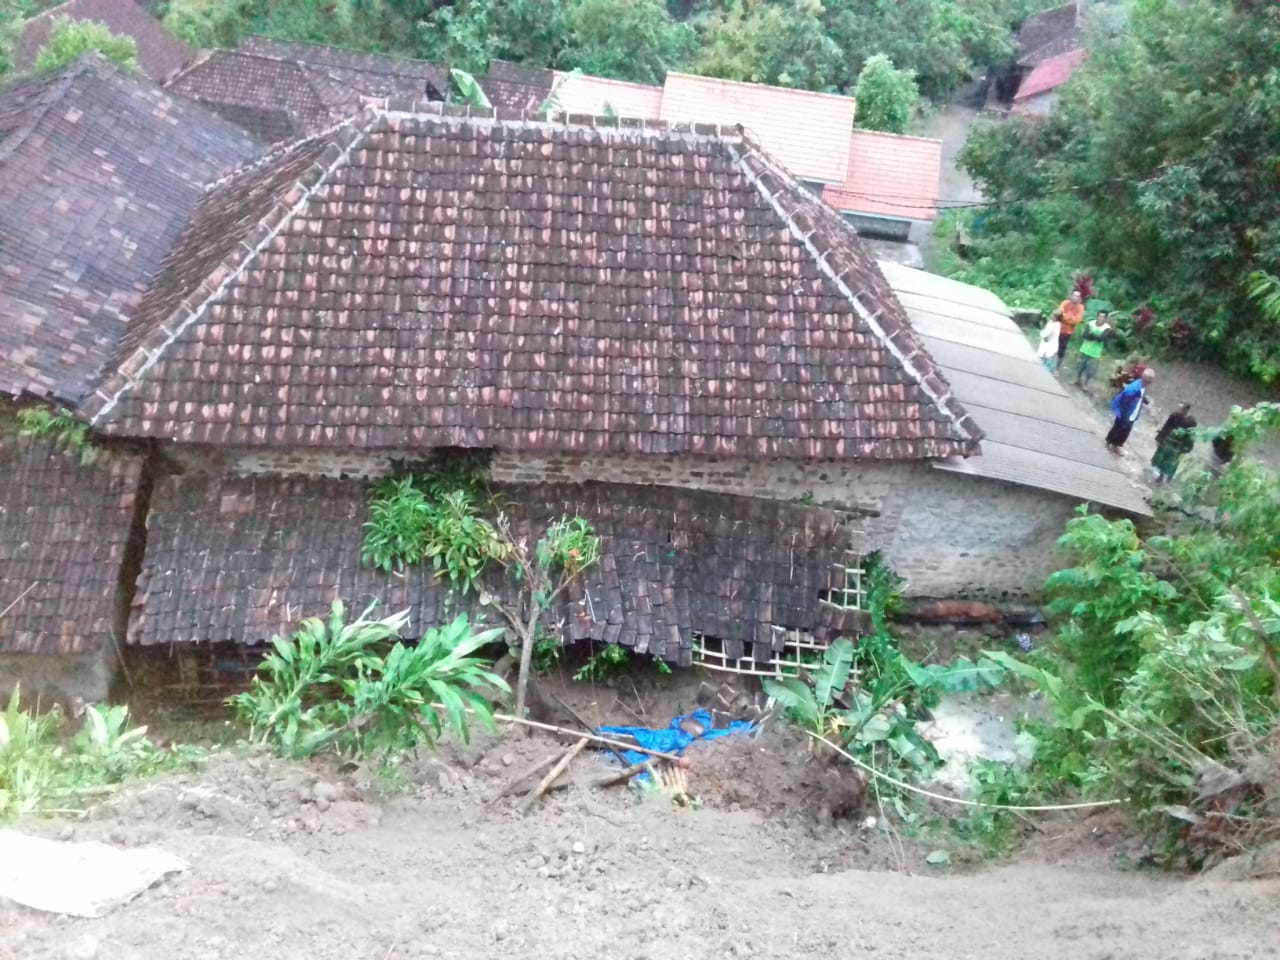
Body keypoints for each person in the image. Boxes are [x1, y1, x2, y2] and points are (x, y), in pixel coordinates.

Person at [1106, 367, 1154, 453]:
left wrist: (1145, 400)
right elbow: (1125, 400)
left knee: (1126, 430)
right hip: (1126, 412)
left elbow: (1140, 395)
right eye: (1149, 381)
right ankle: (1110, 442)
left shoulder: (1142, 386)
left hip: (1133, 412)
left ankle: (1118, 445)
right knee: (1119, 428)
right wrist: (1123, 414)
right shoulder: (1134, 388)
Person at [1150, 402, 1196, 482]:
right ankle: (1161, 476)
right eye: (1180, 408)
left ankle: (1169, 478)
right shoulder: (1174, 415)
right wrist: (1159, 438)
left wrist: (1188, 447)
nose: (1180, 410)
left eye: (1182, 409)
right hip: (1168, 441)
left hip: (1179, 445)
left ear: (1186, 410)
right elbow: (1166, 426)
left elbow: (1191, 435)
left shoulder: (1192, 422)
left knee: (1173, 462)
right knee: (1164, 459)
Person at [1074, 310, 1112, 388]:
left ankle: (1085, 384)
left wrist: (1092, 335)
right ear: (1097, 316)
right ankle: (1077, 380)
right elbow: (1085, 335)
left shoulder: (1107, 328)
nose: (1101, 318)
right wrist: (1095, 336)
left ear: (1106, 319)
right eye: (1099, 316)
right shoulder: (1090, 323)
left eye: (1103, 317)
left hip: (1095, 352)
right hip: (1084, 349)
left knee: (1090, 370)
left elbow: (1101, 338)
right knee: (1080, 366)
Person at [1055, 290, 1085, 367]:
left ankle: (1057, 367)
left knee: (1062, 350)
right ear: (1071, 296)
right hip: (1057, 328)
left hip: (1067, 332)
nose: (1075, 297)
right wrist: (1070, 317)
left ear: (1080, 298)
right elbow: (1059, 313)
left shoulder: (1080, 307)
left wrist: (1064, 317)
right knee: (1052, 346)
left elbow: (1077, 320)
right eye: (1074, 295)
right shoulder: (1065, 303)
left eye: (1078, 296)